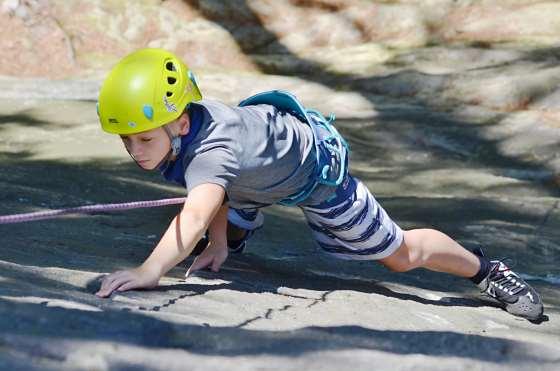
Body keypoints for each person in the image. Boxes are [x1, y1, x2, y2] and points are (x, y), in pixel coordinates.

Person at [95, 48, 543, 321]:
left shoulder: (212, 153)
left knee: (400, 257)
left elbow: (198, 203)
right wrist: (217, 241)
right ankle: (234, 235)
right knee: (221, 226)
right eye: (126, 139)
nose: (135, 150)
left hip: (316, 178)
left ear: (182, 122)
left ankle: (487, 271)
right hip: (256, 177)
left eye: (144, 138)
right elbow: (216, 190)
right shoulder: (189, 131)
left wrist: (149, 271)